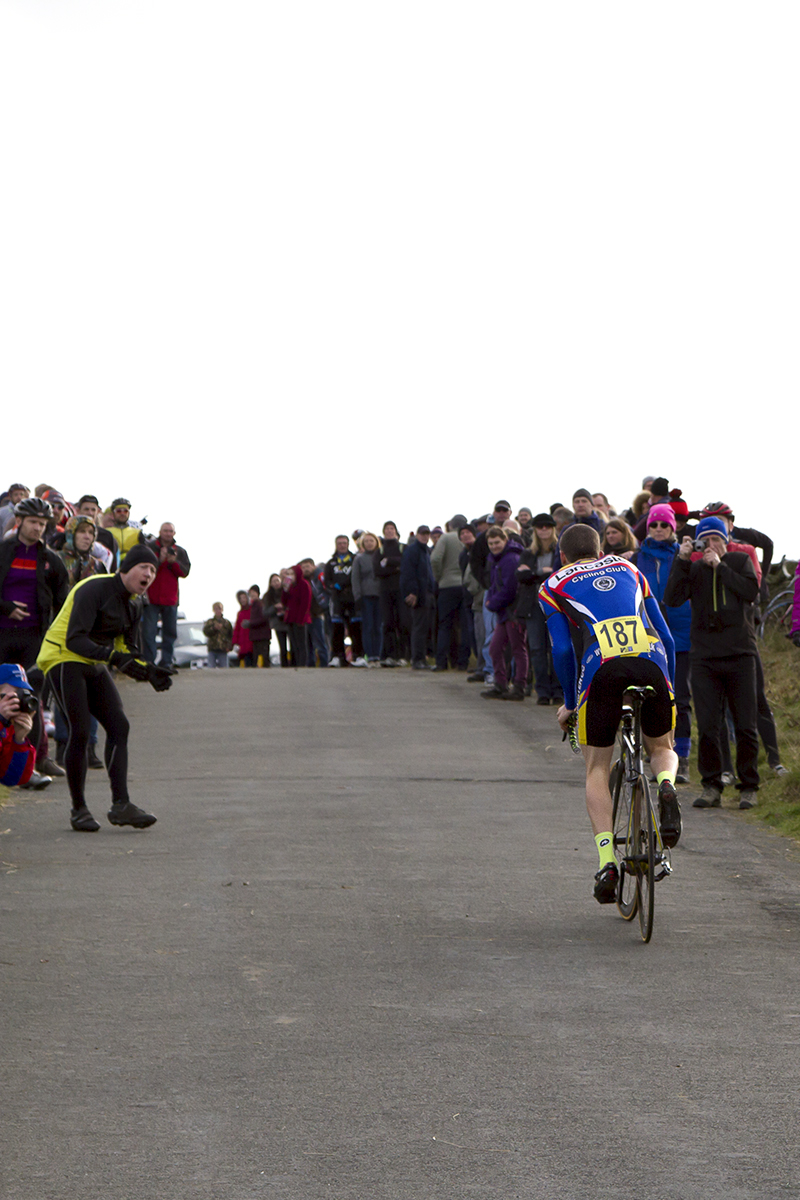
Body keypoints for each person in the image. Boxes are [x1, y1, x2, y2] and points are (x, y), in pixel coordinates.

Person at [540, 524, 680, 904]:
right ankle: (666, 784)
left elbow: (564, 652)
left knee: (597, 768)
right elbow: (666, 636)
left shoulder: (552, 585)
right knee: (662, 747)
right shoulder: (630, 569)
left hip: (600, 669)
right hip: (651, 661)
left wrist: (570, 702)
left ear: (563, 555)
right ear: (601, 549)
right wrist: (670, 686)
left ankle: (606, 863)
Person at [37, 544, 172, 832]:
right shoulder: (94, 588)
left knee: (119, 726)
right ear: (126, 568)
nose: (149, 573)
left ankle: (121, 805)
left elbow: (127, 651)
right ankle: (79, 809)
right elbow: (75, 639)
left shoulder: (135, 603)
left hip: (93, 661)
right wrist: (114, 657)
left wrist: (149, 672)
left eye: (153, 570)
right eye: (143, 567)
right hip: (62, 656)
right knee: (81, 729)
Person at [664, 516, 761, 809]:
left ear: (725, 541)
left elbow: (750, 592)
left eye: (716, 539)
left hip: (740, 653)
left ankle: (749, 786)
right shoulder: (693, 569)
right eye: (706, 540)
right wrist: (681, 560)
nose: (711, 545)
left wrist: (721, 565)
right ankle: (712, 785)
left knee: (745, 725)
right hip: (705, 656)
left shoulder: (739, 562)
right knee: (708, 725)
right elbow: (672, 598)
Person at [0, 496, 70, 783]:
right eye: (33, 523)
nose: (38, 529)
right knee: (4, 695)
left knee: (32, 698)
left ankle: (36, 762)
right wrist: (6, 608)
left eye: (42, 524)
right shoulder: (4, 551)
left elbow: (64, 600)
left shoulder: (51, 559)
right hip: (3, 634)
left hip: (34, 638)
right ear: (19, 522)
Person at [632, 504, 693, 783]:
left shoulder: (684, 557)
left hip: (681, 633)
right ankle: (652, 751)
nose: (658, 529)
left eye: (664, 525)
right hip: (645, 637)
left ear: (673, 527)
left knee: (679, 697)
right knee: (646, 696)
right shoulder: (634, 559)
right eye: (654, 525)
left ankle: (683, 756)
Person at [514, 513, 560, 704]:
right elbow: (521, 577)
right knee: (537, 650)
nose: (543, 530)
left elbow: (558, 574)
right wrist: (540, 573)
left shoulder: (559, 551)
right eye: (539, 527)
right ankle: (542, 691)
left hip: (556, 607)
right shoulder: (528, 553)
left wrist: (532, 574)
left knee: (557, 649)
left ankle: (558, 691)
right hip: (533, 606)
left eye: (547, 526)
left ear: (553, 528)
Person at [482, 525, 527, 700]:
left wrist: (492, 603)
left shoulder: (510, 559)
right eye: (491, 543)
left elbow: (510, 588)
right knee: (495, 648)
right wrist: (492, 600)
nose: (494, 546)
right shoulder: (496, 560)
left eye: (497, 542)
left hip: (513, 611)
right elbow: (494, 584)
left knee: (518, 649)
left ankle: (519, 686)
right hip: (503, 612)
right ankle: (500, 684)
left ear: (505, 540)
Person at [141, 523, 191, 670]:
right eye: (165, 531)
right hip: (151, 597)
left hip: (171, 599)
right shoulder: (150, 547)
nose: (168, 534)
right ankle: (149, 662)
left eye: (170, 531)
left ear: (174, 533)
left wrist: (173, 562)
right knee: (148, 632)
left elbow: (185, 572)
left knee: (170, 633)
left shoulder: (180, 551)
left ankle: (167, 662)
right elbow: (144, 567)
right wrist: (160, 560)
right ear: (160, 532)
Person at [430, 515, 470, 672]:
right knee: (465, 625)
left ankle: (441, 662)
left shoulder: (446, 538)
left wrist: (439, 577)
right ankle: (463, 662)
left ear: (450, 525)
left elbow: (435, 559)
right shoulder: (466, 538)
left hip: (447, 586)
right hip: (465, 585)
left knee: (445, 625)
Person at [324, 536, 363, 667]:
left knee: (355, 629)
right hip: (337, 600)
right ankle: (337, 657)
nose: (342, 546)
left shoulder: (355, 560)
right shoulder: (330, 563)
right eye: (339, 543)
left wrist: (345, 584)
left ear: (348, 544)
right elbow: (327, 581)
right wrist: (333, 586)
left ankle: (358, 656)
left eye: (344, 543)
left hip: (353, 598)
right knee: (337, 629)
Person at [400, 526, 435, 669]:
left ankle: (422, 658)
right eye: (422, 534)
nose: (425, 537)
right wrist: (412, 592)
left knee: (425, 627)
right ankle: (417, 659)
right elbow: (408, 573)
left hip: (427, 593)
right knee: (419, 627)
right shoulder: (412, 550)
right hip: (418, 595)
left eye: (427, 534)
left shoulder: (426, 550)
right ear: (418, 535)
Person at [373, 522, 406, 667]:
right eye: (387, 529)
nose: (389, 531)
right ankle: (391, 655)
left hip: (400, 590)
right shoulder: (379, 551)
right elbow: (378, 571)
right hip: (385, 591)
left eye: (392, 529)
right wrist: (395, 569)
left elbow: (406, 565)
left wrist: (389, 562)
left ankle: (404, 656)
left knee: (403, 622)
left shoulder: (403, 547)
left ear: (396, 531)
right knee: (387, 623)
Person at [0, 663, 37, 788]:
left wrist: (19, 741)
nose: (18, 702)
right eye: (13, 696)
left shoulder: (7, 725)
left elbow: (12, 778)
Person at [351, 533, 382, 665]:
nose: (369, 543)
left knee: (378, 626)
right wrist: (357, 596)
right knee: (368, 626)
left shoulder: (381, 556)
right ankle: (370, 655)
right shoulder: (359, 559)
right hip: (366, 595)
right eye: (367, 541)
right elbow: (355, 578)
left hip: (380, 595)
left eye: (372, 541)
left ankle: (378, 654)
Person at [300, 559, 330, 667]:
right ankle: (310, 664)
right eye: (303, 568)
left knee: (320, 641)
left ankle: (324, 663)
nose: (305, 569)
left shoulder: (319, 577)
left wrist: (320, 609)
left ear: (313, 566)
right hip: (306, 617)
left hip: (317, 614)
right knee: (308, 644)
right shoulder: (304, 581)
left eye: (307, 566)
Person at [281, 565, 313, 666]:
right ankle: (296, 664)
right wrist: (285, 590)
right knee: (294, 644)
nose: (290, 576)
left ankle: (303, 664)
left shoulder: (304, 584)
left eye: (292, 574)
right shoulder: (290, 586)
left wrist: (301, 619)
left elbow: (305, 603)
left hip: (300, 619)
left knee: (302, 644)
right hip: (290, 618)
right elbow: (284, 602)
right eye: (288, 574)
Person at [265, 575, 290, 667]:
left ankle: (294, 664)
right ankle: (284, 665)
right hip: (277, 623)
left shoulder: (286, 592)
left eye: (277, 581)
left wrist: (284, 608)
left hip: (288, 621)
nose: (276, 583)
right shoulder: (268, 596)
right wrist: (274, 607)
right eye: (273, 581)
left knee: (293, 645)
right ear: (270, 583)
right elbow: (265, 612)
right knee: (282, 646)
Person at [246, 585, 272, 667]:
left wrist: (250, 623)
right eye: (250, 593)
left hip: (263, 635)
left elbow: (263, 618)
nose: (252, 595)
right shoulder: (252, 605)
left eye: (254, 592)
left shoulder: (261, 604)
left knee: (265, 658)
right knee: (255, 658)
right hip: (255, 635)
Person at [203, 603, 233, 667]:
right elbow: (205, 632)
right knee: (211, 668)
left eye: (219, 609)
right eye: (216, 609)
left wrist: (229, 646)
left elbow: (231, 635)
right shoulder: (210, 622)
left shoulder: (227, 623)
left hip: (223, 650)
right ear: (213, 610)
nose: (218, 611)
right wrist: (214, 628)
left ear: (222, 610)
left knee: (224, 669)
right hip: (212, 649)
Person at [231, 590, 255, 667]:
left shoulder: (253, 609)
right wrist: (234, 642)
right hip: (243, 643)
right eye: (240, 598)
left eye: (244, 597)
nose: (243, 600)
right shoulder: (240, 613)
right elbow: (237, 629)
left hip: (252, 641)